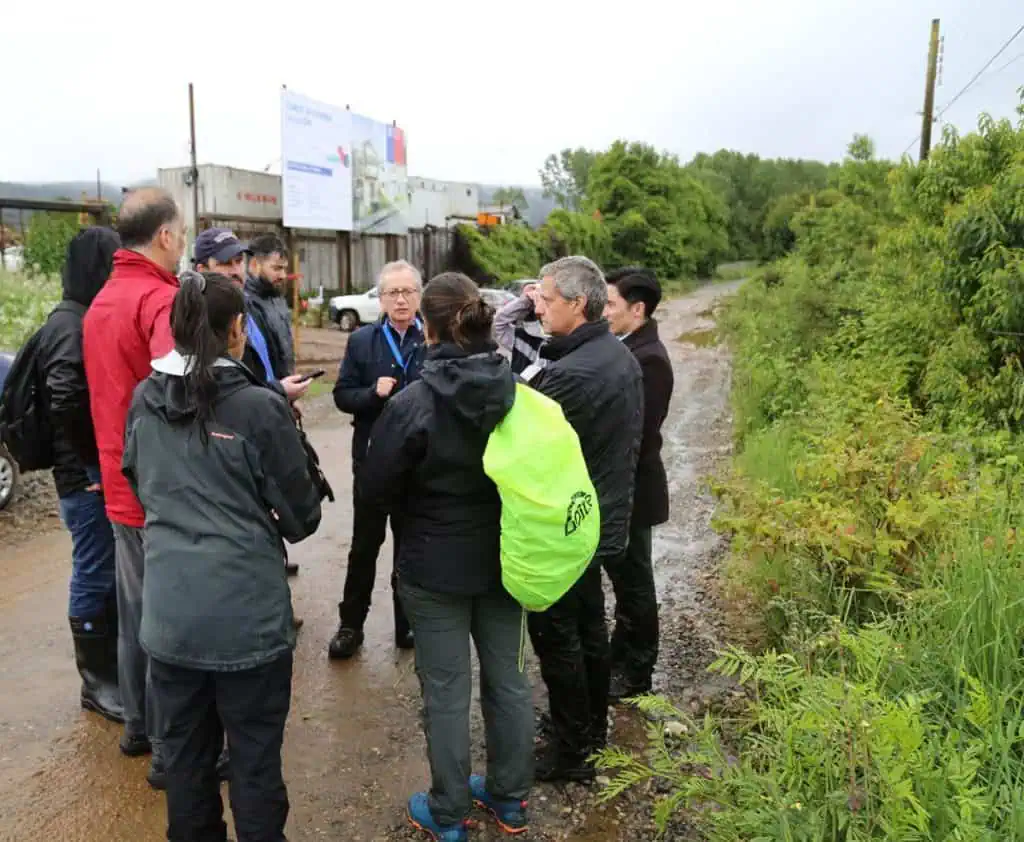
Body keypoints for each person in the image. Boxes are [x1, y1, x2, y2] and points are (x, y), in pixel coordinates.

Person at [122, 271, 322, 842]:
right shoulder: (257, 408)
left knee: (185, 765)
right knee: (255, 765)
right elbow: (303, 518)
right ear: (238, 328)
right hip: (247, 623)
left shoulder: (145, 398)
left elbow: (140, 483)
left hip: (170, 620)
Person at [361, 272, 532, 842]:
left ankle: (450, 809)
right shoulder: (517, 393)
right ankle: (510, 798)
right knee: (508, 679)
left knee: (446, 690)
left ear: (429, 329)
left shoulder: (413, 404)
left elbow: (375, 488)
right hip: (507, 559)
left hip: (433, 568)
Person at [83, 187, 185, 786]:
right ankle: (170, 747)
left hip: (119, 479)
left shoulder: (103, 299)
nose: (183, 243)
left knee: (135, 612)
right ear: (165, 235)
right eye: (182, 233)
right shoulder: (159, 299)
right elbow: (175, 396)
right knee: (167, 620)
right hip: (160, 487)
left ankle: (138, 728)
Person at [527, 256, 643, 781]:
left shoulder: (573, 374)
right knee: (591, 629)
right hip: (600, 518)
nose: (539, 308)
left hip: (569, 526)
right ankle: (592, 732)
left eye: (548, 299)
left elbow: (525, 444)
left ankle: (573, 751)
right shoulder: (615, 354)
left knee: (561, 638)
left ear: (577, 304)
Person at [36, 226, 122, 722]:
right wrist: (94, 464)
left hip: (89, 470)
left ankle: (111, 668)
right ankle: (96, 682)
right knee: (92, 570)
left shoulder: (79, 315)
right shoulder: (69, 324)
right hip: (82, 476)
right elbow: (65, 398)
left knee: (104, 569)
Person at [195, 227, 309, 580]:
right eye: (225, 263)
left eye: (237, 262)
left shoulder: (247, 306)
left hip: (264, 408)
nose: (236, 270)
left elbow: (261, 364)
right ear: (201, 269)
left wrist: (278, 395)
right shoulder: (201, 318)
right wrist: (274, 394)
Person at [329, 260, 425, 659]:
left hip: (418, 466)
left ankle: (408, 624)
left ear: (419, 295)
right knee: (364, 547)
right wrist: (372, 393)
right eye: (392, 293)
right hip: (372, 463)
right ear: (381, 298)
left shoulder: (431, 339)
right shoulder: (362, 341)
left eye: (408, 292)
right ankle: (351, 625)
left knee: (411, 548)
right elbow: (341, 395)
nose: (400, 300)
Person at [603, 268, 675, 700]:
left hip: (635, 489)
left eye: (611, 304)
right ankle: (621, 656)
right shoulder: (627, 347)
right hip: (621, 487)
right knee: (624, 580)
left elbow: (639, 435)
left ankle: (638, 672)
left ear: (638, 309)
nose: (604, 311)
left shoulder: (650, 359)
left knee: (635, 583)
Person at [245, 234, 295, 382]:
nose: (283, 275)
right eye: (277, 268)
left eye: (284, 269)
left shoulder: (278, 298)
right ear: (254, 265)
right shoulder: (244, 303)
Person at [493, 280, 547, 376]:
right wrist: (525, 300)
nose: (540, 309)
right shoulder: (522, 338)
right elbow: (498, 322)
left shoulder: (564, 340)